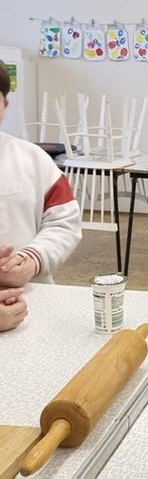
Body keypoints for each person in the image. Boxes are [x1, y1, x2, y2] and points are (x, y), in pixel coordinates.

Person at [0, 61, 81, 331]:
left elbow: (64, 222)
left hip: (34, 304)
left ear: (5, 104)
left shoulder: (33, 160)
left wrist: (32, 260)